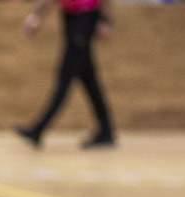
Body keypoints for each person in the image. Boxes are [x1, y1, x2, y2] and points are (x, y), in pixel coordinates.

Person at [14, 0, 116, 149]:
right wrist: (36, 16)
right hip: (70, 17)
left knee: (66, 76)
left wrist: (106, 20)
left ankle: (39, 128)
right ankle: (106, 130)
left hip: (85, 16)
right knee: (88, 77)